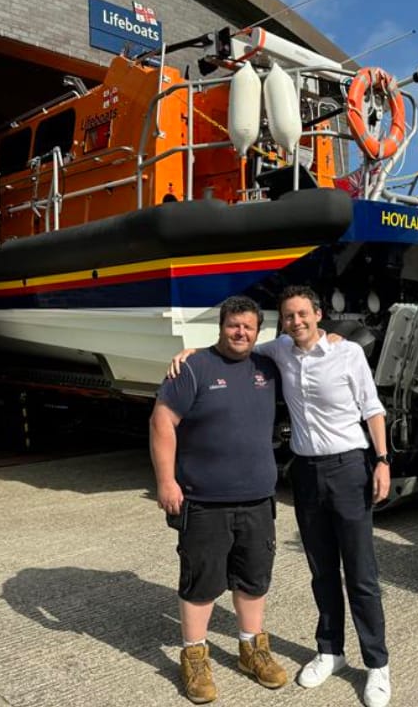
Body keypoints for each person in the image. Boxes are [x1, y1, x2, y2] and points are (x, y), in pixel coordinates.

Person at [169, 285, 393, 707]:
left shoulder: (347, 353)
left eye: (303, 314)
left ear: (319, 314)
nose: (296, 322)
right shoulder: (279, 351)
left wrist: (382, 460)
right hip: (305, 471)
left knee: (360, 573)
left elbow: (372, 408)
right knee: (321, 570)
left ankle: (377, 664)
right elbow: (235, 344)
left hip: (349, 468)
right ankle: (330, 651)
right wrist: (192, 354)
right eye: (289, 316)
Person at [150, 295, 288, 704]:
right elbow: (162, 422)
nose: (240, 332)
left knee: (254, 579)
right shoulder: (193, 367)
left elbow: (307, 349)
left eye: (248, 326)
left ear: (259, 331)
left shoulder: (268, 367)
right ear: (221, 326)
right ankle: (194, 656)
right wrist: (166, 482)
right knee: (201, 582)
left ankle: (251, 648)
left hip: (258, 499)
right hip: (205, 501)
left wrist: (332, 337)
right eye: (233, 325)